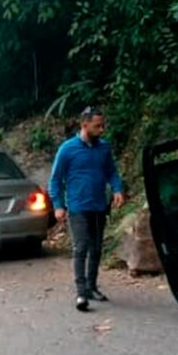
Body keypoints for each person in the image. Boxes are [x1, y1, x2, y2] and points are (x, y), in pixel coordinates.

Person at [48, 106, 125, 312]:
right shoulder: (67, 149)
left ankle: (91, 286)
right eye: (97, 126)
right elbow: (55, 180)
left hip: (99, 205)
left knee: (97, 249)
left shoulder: (104, 147)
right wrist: (58, 206)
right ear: (84, 125)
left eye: (103, 125)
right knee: (80, 248)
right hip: (78, 207)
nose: (102, 129)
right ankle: (81, 293)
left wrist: (117, 189)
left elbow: (112, 172)